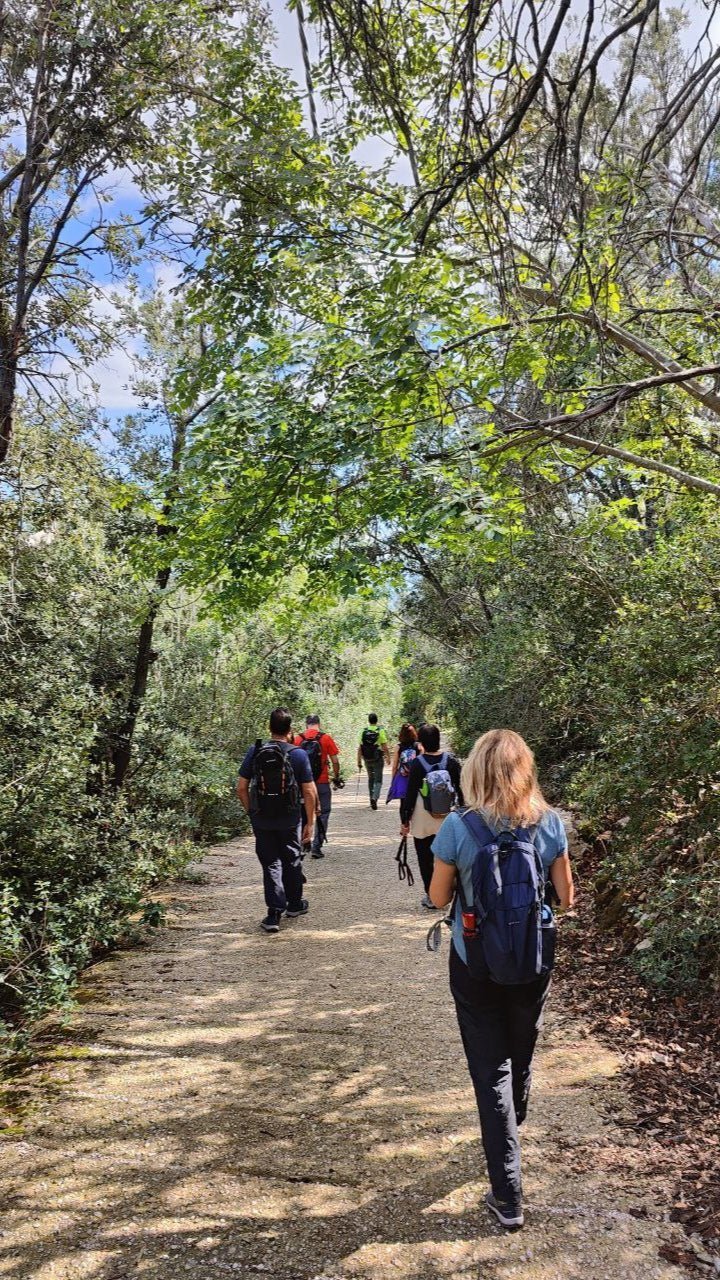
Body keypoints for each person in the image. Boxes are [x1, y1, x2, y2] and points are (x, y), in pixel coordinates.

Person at [429, 729, 574, 1231]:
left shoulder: (458, 827)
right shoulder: (550, 823)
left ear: (475, 771)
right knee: (522, 1045)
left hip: (475, 962)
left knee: (490, 1069)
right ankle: (515, 1120)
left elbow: (436, 896)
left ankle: (508, 1196)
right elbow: (567, 897)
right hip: (534, 959)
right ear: (525, 769)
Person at [236, 707, 318, 933]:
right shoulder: (298, 753)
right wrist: (310, 823)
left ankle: (273, 914)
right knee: (291, 859)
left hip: (262, 818)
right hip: (289, 818)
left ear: (269, 727)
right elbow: (309, 791)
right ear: (291, 729)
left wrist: (252, 812)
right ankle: (294, 905)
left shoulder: (256, 750)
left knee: (270, 862)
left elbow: (241, 787)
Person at [400, 722, 462, 908]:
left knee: (425, 857)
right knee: (451, 855)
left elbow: (409, 794)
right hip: (447, 816)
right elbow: (462, 790)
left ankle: (432, 896)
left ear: (422, 743)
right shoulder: (451, 761)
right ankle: (454, 891)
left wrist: (405, 820)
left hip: (423, 817)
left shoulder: (418, 764)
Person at [294, 714, 341, 859]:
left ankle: (302, 845)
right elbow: (335, 761)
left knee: (302, 815)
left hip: (303, 785)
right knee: (324, 814)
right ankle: (316, 847)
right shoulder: (326, 738)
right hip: (321, 783)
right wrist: (336, 776)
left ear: (306, 724)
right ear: (318, 724)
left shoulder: (298, 739)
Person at [356, 712, 391, 809]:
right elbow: (384, 746)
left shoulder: (363, 731)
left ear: (369, 720)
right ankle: (375, 798)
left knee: (370, 779)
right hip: (377, 759)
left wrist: (358, 761)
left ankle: (371, 798)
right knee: (378, 780)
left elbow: (360, 748)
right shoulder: (380, 731)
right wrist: (388, 757)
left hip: (367, 759)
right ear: (377, 720)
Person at [385, 723, 422, 804]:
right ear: (414, 733)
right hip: (416, 777)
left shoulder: (398, 747)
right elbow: (423, 763)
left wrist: (393, 780)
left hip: (403, 777)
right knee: (415, 801)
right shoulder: (418, 746)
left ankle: (404, 816)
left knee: (403, 802)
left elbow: (395, 766)